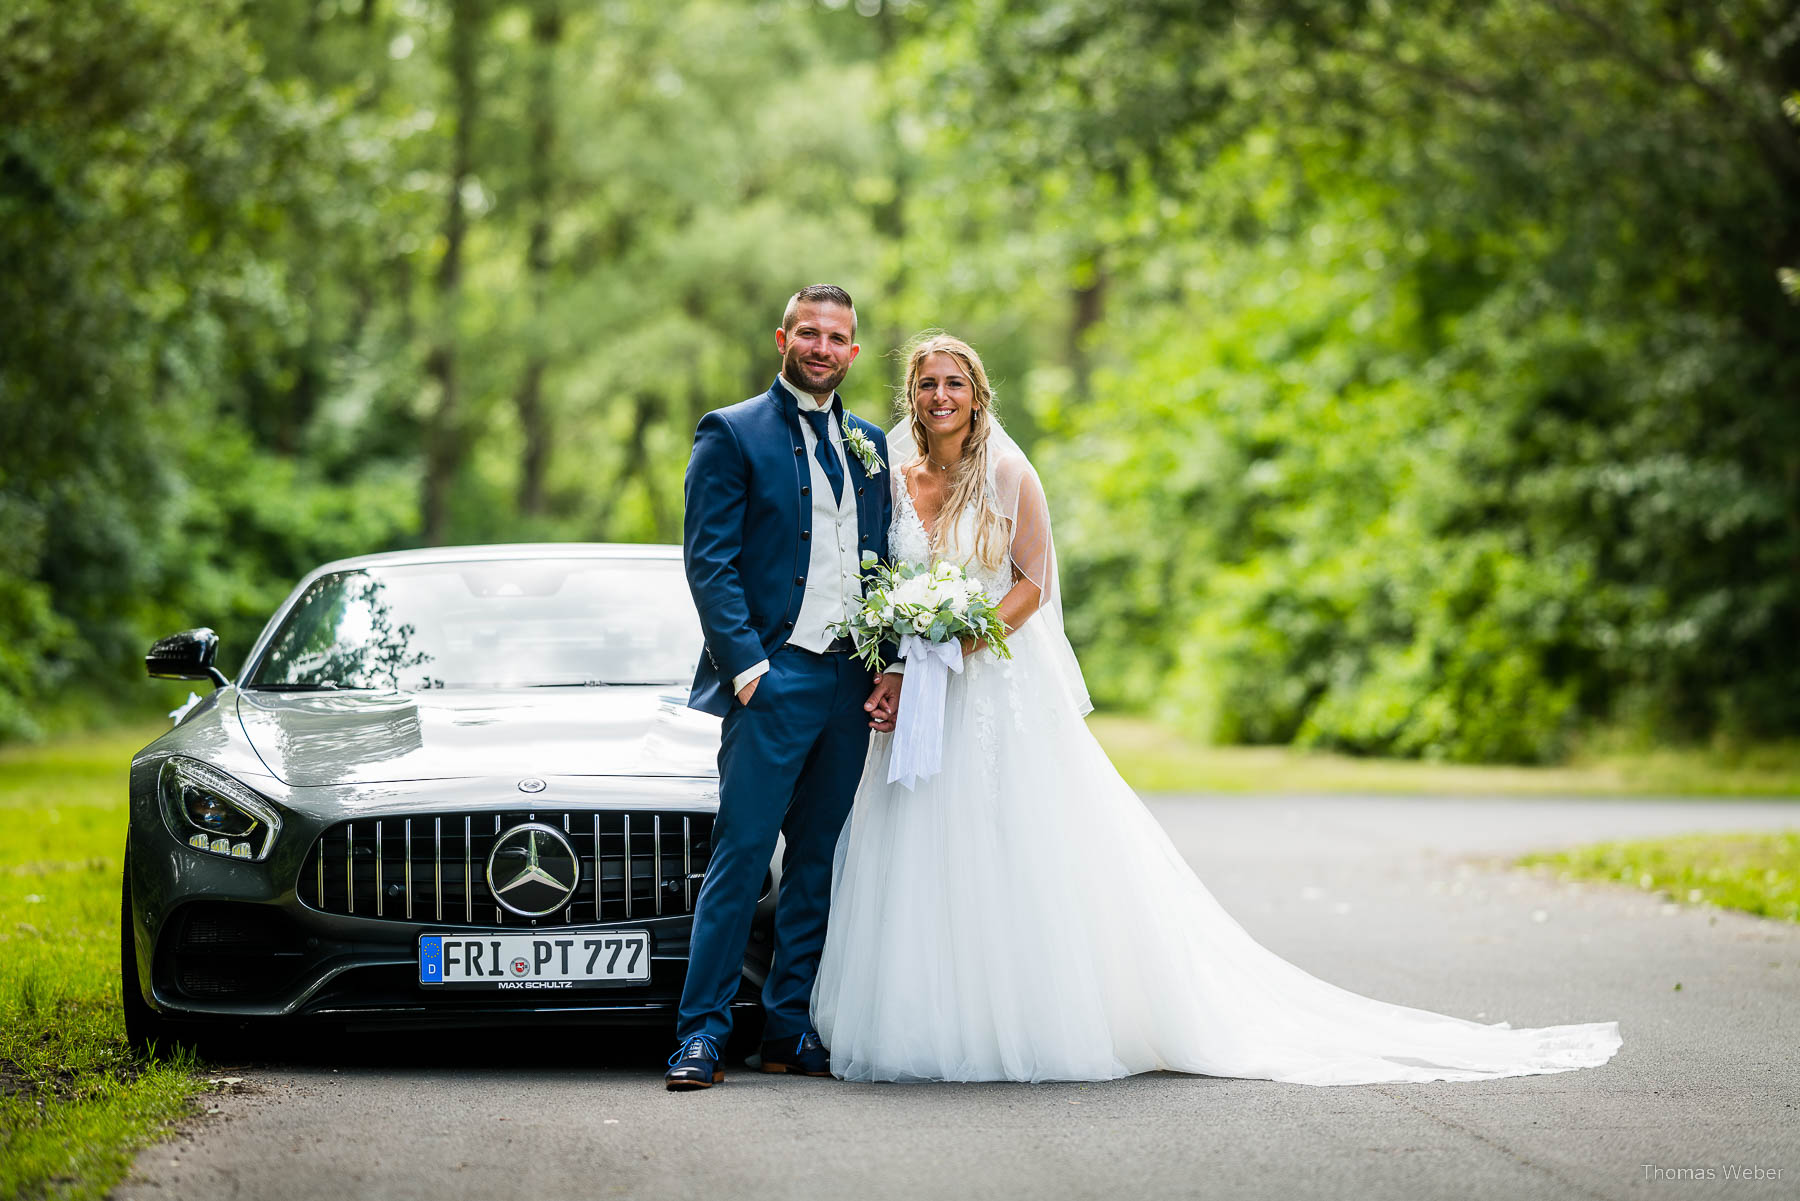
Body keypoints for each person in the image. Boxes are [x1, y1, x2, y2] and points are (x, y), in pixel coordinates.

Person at [811, 332, 1623, 1085]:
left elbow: (1032, 585)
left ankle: (1021, 1018)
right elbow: (881, 574)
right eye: (927, 383)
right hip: (916, 693)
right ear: (911, 394)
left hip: (991, 691)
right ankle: (930, 1015)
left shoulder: (1010, 475)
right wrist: (905, 655)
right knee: (922, 845)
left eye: (955, 382)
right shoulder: (890, 468)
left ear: (979, 396)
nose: (940, 395)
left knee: (1006, 842)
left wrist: (958, 645)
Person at [670, 285, 902, 1090]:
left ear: (854, 352)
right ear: (782, 337)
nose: (822, 346)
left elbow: (883, 563)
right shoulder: (730, 432)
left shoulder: (871, 444)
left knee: (816, 861)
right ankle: (699, 1034)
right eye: (810, 331)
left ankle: (788, 1026)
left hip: (849, 681)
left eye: (838, 336)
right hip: (772, 680)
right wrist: (747, 670)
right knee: (739, 856)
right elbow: (710, 560)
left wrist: (889, 663)